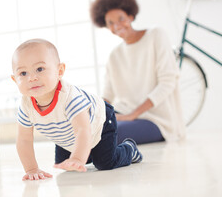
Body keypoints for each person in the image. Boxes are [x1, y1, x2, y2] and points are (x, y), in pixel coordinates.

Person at [11, 39, 142, 181]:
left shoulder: (69, 98)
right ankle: (88, 152)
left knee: (104, 162)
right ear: (14, 79)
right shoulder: (26, 106)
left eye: (40, 69)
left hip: (99, 122)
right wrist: (31, 169)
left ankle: (129, 149)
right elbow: (24, 139)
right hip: (69, 135)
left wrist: (78, 158)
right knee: (64, 164)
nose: (32, 78)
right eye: (23, 73)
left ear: (59, 71)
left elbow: (83, 130)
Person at [90, 0, 186, 145]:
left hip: (155, 119)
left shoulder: (155, 35)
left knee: (107, 136)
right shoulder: (115, 55)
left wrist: (133, 115)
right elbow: (108, 94)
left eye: (121, 19)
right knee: (82, 132)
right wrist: (94, 115)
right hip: (124, 113)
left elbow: (168, 82)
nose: (117, 26)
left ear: (130, 16)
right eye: (111, 23)